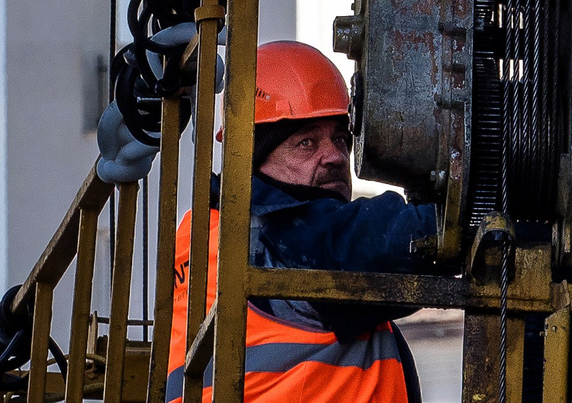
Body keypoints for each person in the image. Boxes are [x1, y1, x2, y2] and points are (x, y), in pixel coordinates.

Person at [164, 41, 436, 403]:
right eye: (306, 143)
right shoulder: (282, 233)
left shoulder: (197, 233)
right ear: (253, 156)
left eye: (341, 138)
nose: (334, 157)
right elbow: (402, 238)